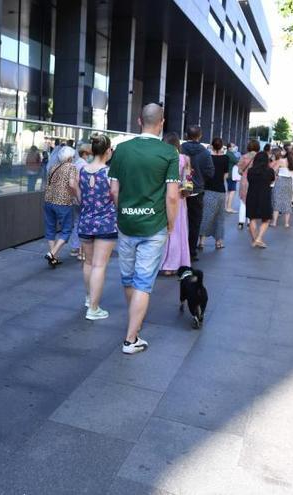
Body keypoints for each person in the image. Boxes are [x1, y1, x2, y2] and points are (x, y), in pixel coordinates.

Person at [109, 103, 180, 354]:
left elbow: (114, 190)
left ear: (139, 121)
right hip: (154, 226)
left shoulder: (121, 150)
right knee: (143, 282)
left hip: (126, 223)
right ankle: (131, 338)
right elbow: (172, 197)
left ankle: (134, 326)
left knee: (128, 279)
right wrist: (171, 223)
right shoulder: (169, 153)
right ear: (162, 123)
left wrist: (123, 212)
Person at [71, 134, 116, 320]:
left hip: (85, 221)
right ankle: (94, 309)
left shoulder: (82, 170)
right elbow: (114, 193)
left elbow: (74, 186)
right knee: (99, 265)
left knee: (88, 263)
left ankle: (90, 299)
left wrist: (83, 201)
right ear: (107, 151)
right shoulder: (109, 173)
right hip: (105, 223)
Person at [180, 125, 214, 261]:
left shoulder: (180, 149)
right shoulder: (205, 153)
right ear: (200, 136)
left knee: (179, 222)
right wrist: (200, 178)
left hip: (179, 191)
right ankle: (191, 252)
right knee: (195, 223)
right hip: (197, 191)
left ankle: (177, 251)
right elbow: (210, 172)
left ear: (186, 135)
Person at [159, 132, 191, 275]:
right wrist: (185, 191)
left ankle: (162, 263)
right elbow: (188, 181)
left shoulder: (161, 157)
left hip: (162, 196)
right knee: (178, 230)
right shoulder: (184, 159)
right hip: (179, 196)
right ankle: (175, 263)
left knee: (163, 230)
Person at [43, 146, 78, 267]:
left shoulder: (53, 167)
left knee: (51, 228)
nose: (74, 159)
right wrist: (77, 196)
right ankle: (52, 253)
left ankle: (53, 258)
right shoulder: (71, 167)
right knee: (67, 230)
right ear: (69, 158)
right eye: (73, 157)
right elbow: (72, 184)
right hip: (63, 202)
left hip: (48, 201)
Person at [199, 137, 229, 250]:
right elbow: (225, 176)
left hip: (207, 190)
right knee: (219, 217)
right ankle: (219, 242)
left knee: (206, 215)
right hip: (220, 190)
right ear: (221, 147)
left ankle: (201, 241)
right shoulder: (225, 158)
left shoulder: (207, 157)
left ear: (211, 146)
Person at [68, 143, 93, 260]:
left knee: (77, 222)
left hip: (74, 198)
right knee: (83, 224)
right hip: (82, 198)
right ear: (84, 154)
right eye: (89, 154)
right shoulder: (84, 166)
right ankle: (81, 252)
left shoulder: (75, 164)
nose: (91, 156)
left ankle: (75, 248)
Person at [246, 151, 275, 248]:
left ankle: (255, 240)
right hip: (265, 196)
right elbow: (272, 180)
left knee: (252, 218)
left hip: (251, 196)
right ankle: (259, 238)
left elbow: (249, 180)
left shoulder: (250, 171)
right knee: (266, 219)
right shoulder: (270, 171)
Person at [236, 140, 260, 229]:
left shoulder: (244, 156)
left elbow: (239, 170)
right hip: (256, 181)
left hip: (245, 181)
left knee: (243, 202)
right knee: (252, 202)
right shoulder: (259, 157)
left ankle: (240, 222)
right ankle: (250, 221)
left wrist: (243, 173)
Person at [272, 147, 293, 228]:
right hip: (289, 181)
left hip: (280, 180)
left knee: (277, 200)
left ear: (285, 152)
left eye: (282, 150)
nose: (281, 152)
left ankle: (274, 222)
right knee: (287, 202)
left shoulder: (280, 161)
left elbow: (274, 170)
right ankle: (286, 223)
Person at [224, 142, 240, 213]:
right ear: (229, 147)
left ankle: (226, 207)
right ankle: (229, 208)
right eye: (233, 146)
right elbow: (238, 162)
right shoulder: (230, 154)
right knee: (232, 191)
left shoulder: (228, 153)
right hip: (231, 175)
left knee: (229, 191)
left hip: (229, 175)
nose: (235, 147)